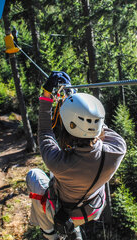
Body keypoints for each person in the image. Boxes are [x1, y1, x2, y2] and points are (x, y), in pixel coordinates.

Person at [26, 72, 126, 240]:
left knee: (33, 175)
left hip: (70, 210)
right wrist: (74, 101)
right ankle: (73, 229)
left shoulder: (58, 162)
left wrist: (46, 95)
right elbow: (99, 128)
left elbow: (45, 132)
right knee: (56, 177)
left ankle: (49, 234)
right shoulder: (117, 150)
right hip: (93, 209)